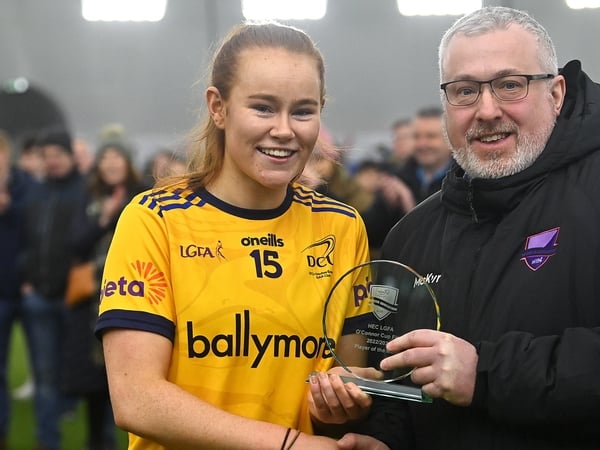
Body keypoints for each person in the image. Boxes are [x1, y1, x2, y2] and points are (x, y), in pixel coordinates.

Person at [339, 6, 600, 449]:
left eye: (511, 85)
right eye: (465, 91)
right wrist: (386, 437)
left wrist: (484, 374)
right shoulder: (413, 234)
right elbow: (401, 378)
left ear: (557, 92)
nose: (487, 110)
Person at [95, 22, 379, 449]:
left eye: (302, 111)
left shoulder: (342, 226)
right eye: (263, 108)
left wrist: (343, 398)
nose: (284, 129)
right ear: (218, 107)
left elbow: (345, 376)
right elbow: (136, 399)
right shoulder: (155, 220)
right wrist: (288, 444)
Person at [67, 140, 144, 450]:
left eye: (117, 158)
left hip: (135, 292)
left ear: (127, 162)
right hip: (92, 298)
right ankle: (96, 440)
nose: (111, 164)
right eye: (106, 159)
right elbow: (75, 243)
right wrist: (104, 218)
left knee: (130, 369)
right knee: (93, 373)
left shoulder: (141, 197)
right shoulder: (89, 197)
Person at [19, 126, 86, 450]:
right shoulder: (37, 193)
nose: (52, 161)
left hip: (73, 299)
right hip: (39, 299)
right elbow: (26, 241)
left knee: (78, 372)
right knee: (44, 374)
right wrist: (25, 279)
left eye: (57, 155)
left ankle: (91, 433)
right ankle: (48, 440)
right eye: (47, 156)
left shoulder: (85, 192)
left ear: (70, 156)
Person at [0, 128, 36, 450]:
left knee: (44, 368)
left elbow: (35, 231)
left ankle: (47, 435)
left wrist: (8, 206)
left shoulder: (26, 186)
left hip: (28, 291)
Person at [396, 106, 452, 204]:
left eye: (431, 136)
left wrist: (409, 205)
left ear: (450, 139)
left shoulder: (464, 184)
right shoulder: (399, 178)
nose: (422, 144)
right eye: (416, 136)